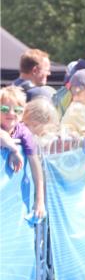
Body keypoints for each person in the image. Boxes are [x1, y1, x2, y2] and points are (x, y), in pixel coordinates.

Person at [0, 86, 46, 220]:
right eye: (4, 109)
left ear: (23, 114)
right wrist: (14, 149)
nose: (11, 113)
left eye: (18, 110)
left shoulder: (23, 131)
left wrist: (40, 201)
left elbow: (35, 164)